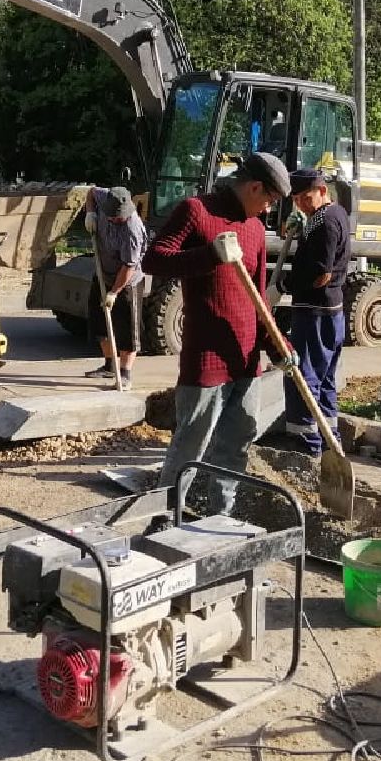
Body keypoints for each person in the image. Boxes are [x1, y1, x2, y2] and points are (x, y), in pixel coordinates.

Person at [143, 151, 290, 515]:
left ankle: (220, 517)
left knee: (236, 444)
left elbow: (258, 300)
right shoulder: (195, 211)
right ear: (254, 187)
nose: (268, 210)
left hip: (245, 359)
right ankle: (164, 517)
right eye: (269, 199)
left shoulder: (255, 230)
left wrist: (277, 347)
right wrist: (209, 255)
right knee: (191, 443)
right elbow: (154, 259)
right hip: (206, 358)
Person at [281, 169, 352, 455]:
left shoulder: (326, 222)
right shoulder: (330, 215)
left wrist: (284, 285)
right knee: (324, 381)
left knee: (304, 377)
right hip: (328, 311)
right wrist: (301, 234)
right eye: (296, 199)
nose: (301, 204)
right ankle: (329, 441)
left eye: (306, 197)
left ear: (322, 190)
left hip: (316, 311)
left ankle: (306, 445)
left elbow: (320, 273)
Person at [83, 185, 146, 390]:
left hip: (127, 281)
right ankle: (110, 365)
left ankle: (125, 373)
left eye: (119, 217)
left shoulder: (132, 231)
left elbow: (128, 267)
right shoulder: (104, 197)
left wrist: (114, 292)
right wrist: (91, 213)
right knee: (99, 320)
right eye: (113, 217)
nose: (116, 219)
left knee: (127, 329)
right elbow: (91, 192)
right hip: (103, 272)